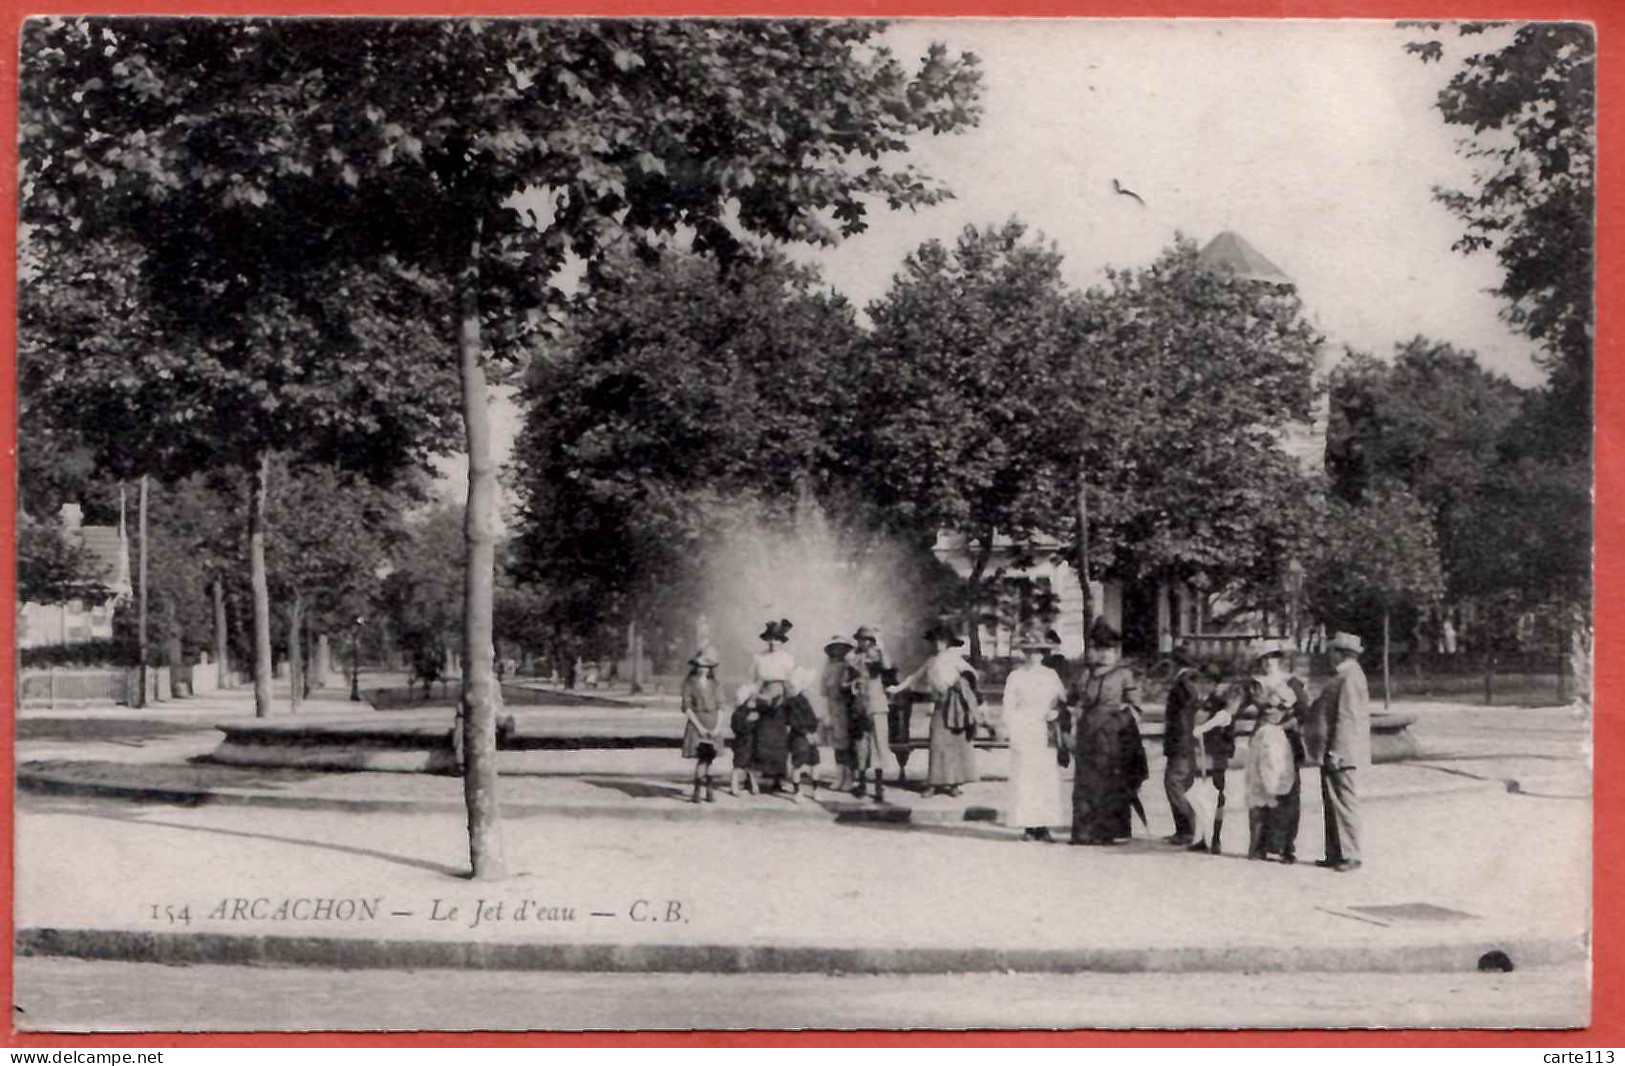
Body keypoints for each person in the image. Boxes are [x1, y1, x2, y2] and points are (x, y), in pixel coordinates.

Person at [1205, 640, 1303, 862]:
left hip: (1286, 740)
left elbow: (1305, 713)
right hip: (1261, 741)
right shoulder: (1253, 685)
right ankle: (1258, 845)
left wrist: (1283, 726)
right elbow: (1232, 707)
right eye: (1265, 658)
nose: (1269, 662)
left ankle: (1286, 847)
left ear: (1280, 659)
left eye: (1274, 657)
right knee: (1258, 790)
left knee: (1286, 792)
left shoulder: (1293, 683)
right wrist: (1218, 719)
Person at [1069, 619, 1148, 845]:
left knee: (1108, 783)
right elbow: (1071, 699)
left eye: (1109, 650)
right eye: (1100, 649)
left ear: (1116, 652)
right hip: (1087, 734)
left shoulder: (1124, 675)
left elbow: (1135, 707)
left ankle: (1107, 831)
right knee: (1085, 782)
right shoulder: (1085, 675)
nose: (1104, 655)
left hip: (1112, 736)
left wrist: (1120, 724)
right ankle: (1084, 831)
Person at [889, 622, 979, 797]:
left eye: (942, 641)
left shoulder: (955, 659)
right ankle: (934, 782)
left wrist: (960, 685)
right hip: (940, 706)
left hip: (954, 707)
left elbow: (973, 674)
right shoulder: (930, 661)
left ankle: (953, 784)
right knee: (937, 743)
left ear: (948, 643)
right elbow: (914, 677)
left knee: (954, 744)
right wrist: (897, 688)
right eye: (936, 641)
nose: (938, 645)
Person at [1313, 631, 1371, 872]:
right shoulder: (1346, 675)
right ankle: (1336, 851)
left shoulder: (1349, 676)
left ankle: (1350, 853)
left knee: (1344, 802)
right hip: (1338, 750)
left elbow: (1348, 717)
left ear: (1341, 653)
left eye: (1332, 651)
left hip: (1342, 752)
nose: (1329, 656)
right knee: (1333, 800)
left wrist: (1338, 750)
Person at [1002, 630, 1068, 841]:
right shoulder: (1016, 676)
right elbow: (1008, 707)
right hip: (1024, 728)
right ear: (1023, 653)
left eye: (1038, 652)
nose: (1033, 656)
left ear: (1044, 653)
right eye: (1029, 652)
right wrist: (1013, 731)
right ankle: (1029, 826)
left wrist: (1056, 712)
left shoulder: (1050, 675)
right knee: (1026, 778)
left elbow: (1062, 699)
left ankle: (1044, 825)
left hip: (1044, 730)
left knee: (1045, 778)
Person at [1160, 644, 1204, 846]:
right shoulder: (1187, 681)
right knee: (1179, 783)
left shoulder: (1184, 683)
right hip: (1183, 741)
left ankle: (1188, 829)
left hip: (1181, 742)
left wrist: (1179, 740)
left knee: (1173, 783)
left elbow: (1184, 716)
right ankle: (1184, 829)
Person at [847, 625, 896, 800]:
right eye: (861, 639)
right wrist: (852, 685)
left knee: (879, 744)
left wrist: (880, 647)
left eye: (867, 639)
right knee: (861, 744)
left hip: (877, 705)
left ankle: (879, 785)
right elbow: (850, 676)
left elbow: (887, 666)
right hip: (860, 704)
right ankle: (861, 782)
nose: (863, 642)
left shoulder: (878, 655)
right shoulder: (854, 656)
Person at [679, 646, 722, 804]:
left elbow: (720, 706)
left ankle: (709, 789)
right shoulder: (689, 683)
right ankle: (698, 790)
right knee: (702, 758)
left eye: (707, 666)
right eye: (701, 665)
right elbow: (687, 708)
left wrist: (718, 727)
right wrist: (699, 727)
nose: (704, 669)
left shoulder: (714, 684)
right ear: (696, 666)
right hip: (697, 722)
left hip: (712, 721)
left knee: (710, 758)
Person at [819, 634, 857, 791]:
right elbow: (823, 691)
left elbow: (853, 689)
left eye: (841, 647)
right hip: (833, 708)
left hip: (847, 709)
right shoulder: (828, 668)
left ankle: (849, 777)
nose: (838, 650)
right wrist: (827, 712)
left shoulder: (850, 666)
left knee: (848, 744)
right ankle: (839, 776)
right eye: (835, 647)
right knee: (838, 744)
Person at [784, 667, 822, 802]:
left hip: (809, 734)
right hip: (799, 735)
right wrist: (807, 733)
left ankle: (815, 789)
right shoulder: (791, 702)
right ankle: (797, 791)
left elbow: (813, 718)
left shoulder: (805, 699)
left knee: (815, 762)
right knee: (798, 763)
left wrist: (814, 732)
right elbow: (794, 721)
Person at [728, 682, 761, 797]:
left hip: (751, 742)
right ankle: (734, 786)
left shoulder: (754, 713)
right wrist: (750, 722)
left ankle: (752, 784)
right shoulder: (738, 714)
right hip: (742, 742)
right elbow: (738, 728)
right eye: (752, 700)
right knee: (738, 765)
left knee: (750, 765)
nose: (755, 702)